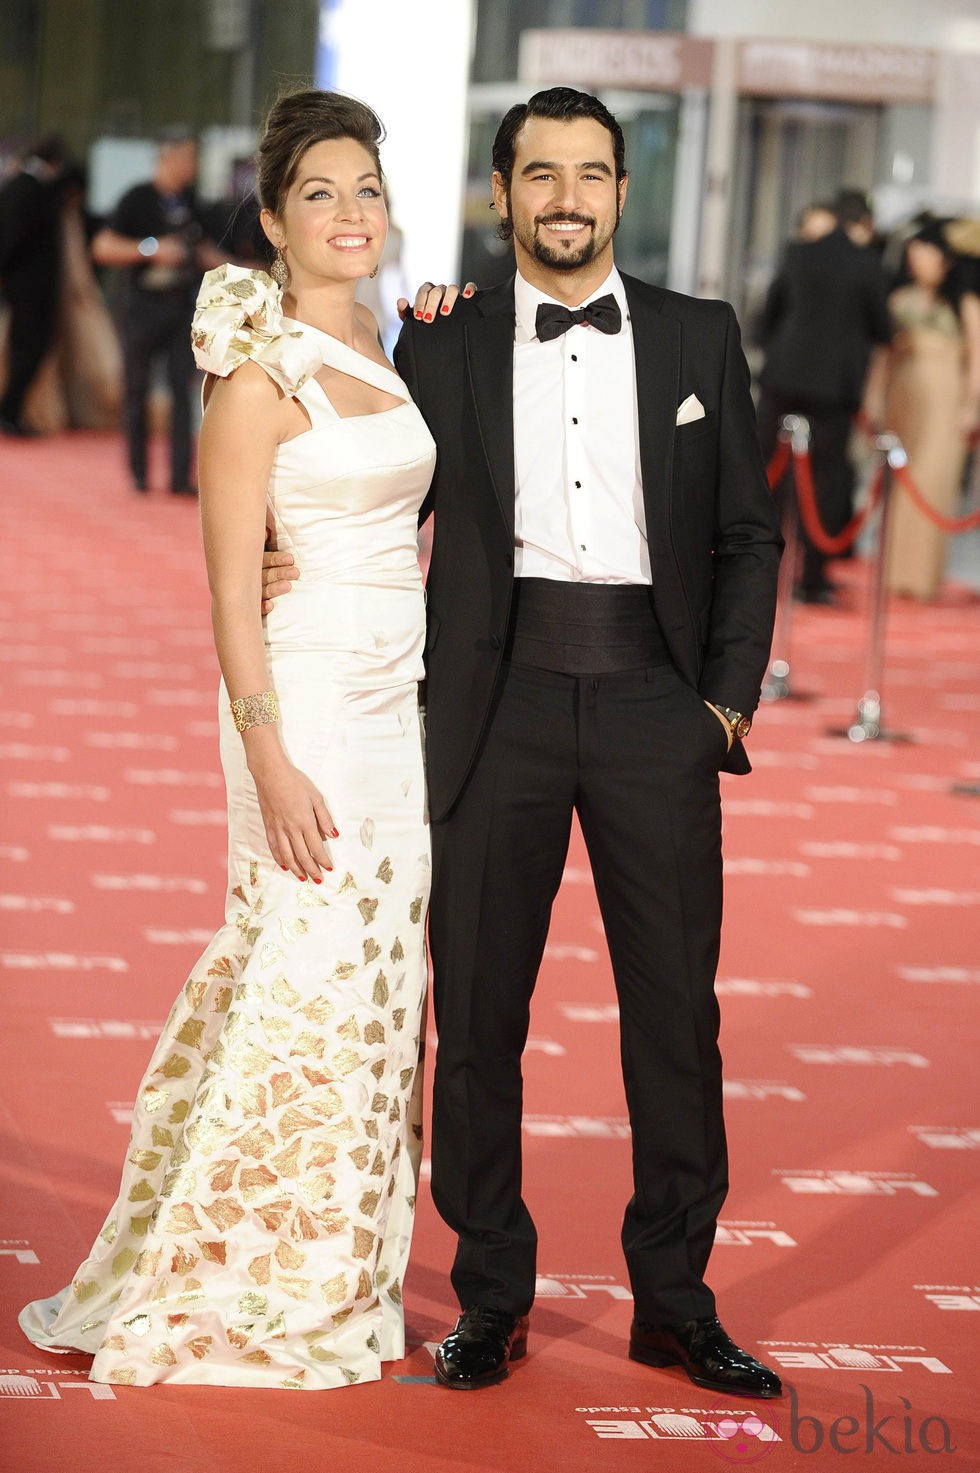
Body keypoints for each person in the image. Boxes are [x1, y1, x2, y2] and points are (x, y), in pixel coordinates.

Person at [266, 86, 784, 1399]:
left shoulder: (698, 335)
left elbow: (747, 535)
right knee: (481, 1017)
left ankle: (675, 1296)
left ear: (620, 191)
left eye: (591, 175)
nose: (566, 197)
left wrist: (720, 704)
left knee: (675, 1017)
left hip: (655, 711)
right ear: (502, 194)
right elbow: (374, 487)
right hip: (490, 716)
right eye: (540, 173)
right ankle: (491, 1289)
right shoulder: (437, 341)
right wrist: (285, 551)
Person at [20, 89, 435, 1391]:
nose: (349, 213)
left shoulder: (392, 337)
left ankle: (336, 1273)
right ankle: (232, 1277)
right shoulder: (259, 370)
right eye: (319, 194)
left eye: (365, 187)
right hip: (300, 703)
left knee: (377, 993)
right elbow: (224, 588)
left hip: (402, 706)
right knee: (298, 984)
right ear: (271, 221)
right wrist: (267, 753)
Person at [757, 190, 893, 603]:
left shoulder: (798, 253)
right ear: (862, 224)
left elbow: (767, 318)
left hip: (782, 380)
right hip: (834, 390)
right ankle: (812, 579)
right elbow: (884, 331)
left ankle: (755, 572)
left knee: (766, 476)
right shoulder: (868, 264)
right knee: (826, 481)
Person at [92, 127, 223, 494]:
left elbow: (207, 250)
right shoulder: (137, 198)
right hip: (142, 307)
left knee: (183, 391)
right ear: (167, 157)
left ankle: (181, 475)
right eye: (187, 158)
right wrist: (151, 249)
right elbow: (103, 246)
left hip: (183, 305)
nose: (192, 166)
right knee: (136, 388)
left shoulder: (193, 202)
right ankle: (138, 473)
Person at [870, 222, 980, 599]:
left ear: (945, 261)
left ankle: (922, 578)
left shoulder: (963, 303)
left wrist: (972, 406)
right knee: (902, 485)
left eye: (926, 254)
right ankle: (894, 574)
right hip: (905, 395)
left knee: (932, 484)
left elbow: (978, 355)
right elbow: (881, 357)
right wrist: (874, 399)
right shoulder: (898, 300)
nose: (919, 262)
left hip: (947, 399)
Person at [0, 135, 68, 436]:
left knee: (26, 348)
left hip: (23, 284)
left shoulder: (22, 186)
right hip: (28, 286)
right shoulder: (29, 189)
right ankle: (9, 412)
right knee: (28, 348)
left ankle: (11, 412)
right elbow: (12, 237)